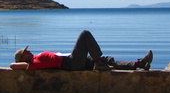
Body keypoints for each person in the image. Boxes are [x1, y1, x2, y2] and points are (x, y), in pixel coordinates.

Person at [10, 30, 153, 71]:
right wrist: (21, 62)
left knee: (109, 60)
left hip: (74, 61)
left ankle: (139, 64)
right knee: (84, 34)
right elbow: (12, 66)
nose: (29, 51)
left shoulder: (35, 59)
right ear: (24, 57)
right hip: (71, 63)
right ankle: (98, 62)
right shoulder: (32, 64)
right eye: (26, 52)